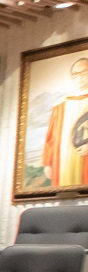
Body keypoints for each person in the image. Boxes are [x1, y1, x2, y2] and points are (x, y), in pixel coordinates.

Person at [40, 55, 88, 191]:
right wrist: (48, 163)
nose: (80, 77)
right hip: (63, 160)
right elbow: (51, 138)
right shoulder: (61, 104)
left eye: (84, 72)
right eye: (76, 74)